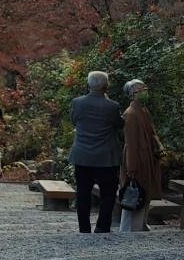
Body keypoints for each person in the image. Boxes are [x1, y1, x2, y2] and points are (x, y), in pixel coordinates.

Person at [69, 70, 125, 233]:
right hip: (106, 157)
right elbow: (120, 124)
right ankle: (102, 227)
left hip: (83, 155)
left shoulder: (77, 103)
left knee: (83, 192)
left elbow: (74, 120)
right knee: (108, 193)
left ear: (88, 84)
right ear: (106, 86)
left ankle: (84, 228)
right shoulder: (112, 106)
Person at [119, 79, 164, 233]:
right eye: (141, 90)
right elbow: (130, 144)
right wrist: (131, 168)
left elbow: (152, 133)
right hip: (136, 160)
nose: (145, 92)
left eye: (145, 88)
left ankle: (141, 224)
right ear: (133, 95)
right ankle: (129, 229)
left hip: (146, 159)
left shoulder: (143, 110)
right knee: (133, 194)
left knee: (145, 193)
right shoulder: (130, 114)